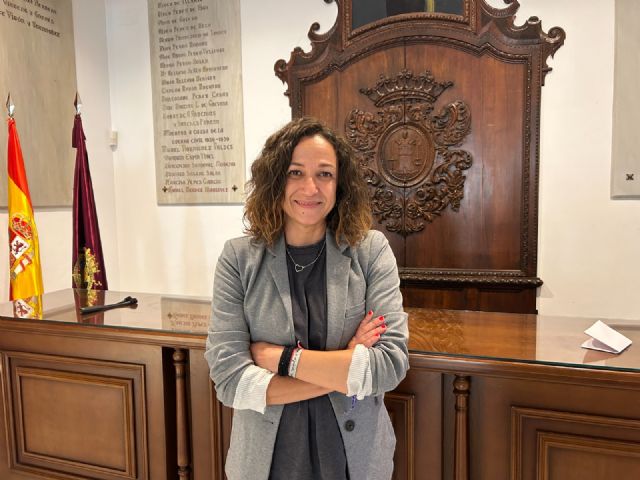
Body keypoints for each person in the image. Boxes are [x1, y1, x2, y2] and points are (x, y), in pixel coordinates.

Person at [205, 117, 409, 480]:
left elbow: (389, 366)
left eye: (324, 174)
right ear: (275, 179)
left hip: (354, 461)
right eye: (295, 172)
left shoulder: (370, 251)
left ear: (340, 183)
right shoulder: (238, 259)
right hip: (266, 464)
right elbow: (230, 381)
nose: (310, 187)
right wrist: (347, 361)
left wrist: (282, 359)